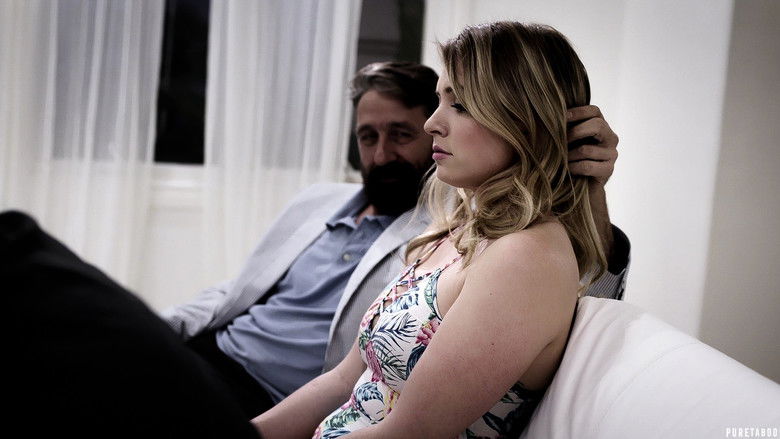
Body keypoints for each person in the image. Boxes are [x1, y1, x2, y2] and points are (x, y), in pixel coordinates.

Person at [161, 60, 629, 417]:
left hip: (268, 395)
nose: (381, 154)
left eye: (400, 134)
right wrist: (165, 328)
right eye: (368, 137)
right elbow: (238, 290)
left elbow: (572, 298)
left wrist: (588, 190)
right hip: (205, 352)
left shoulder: (454, 230)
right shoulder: (317, 201)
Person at [251, 21, 611, 438]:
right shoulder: (457, 230)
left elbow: (408, 434)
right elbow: (343, 380)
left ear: (525, 119)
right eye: (440, 100)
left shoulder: (527, 256)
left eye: (461, 105)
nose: (432, 124)